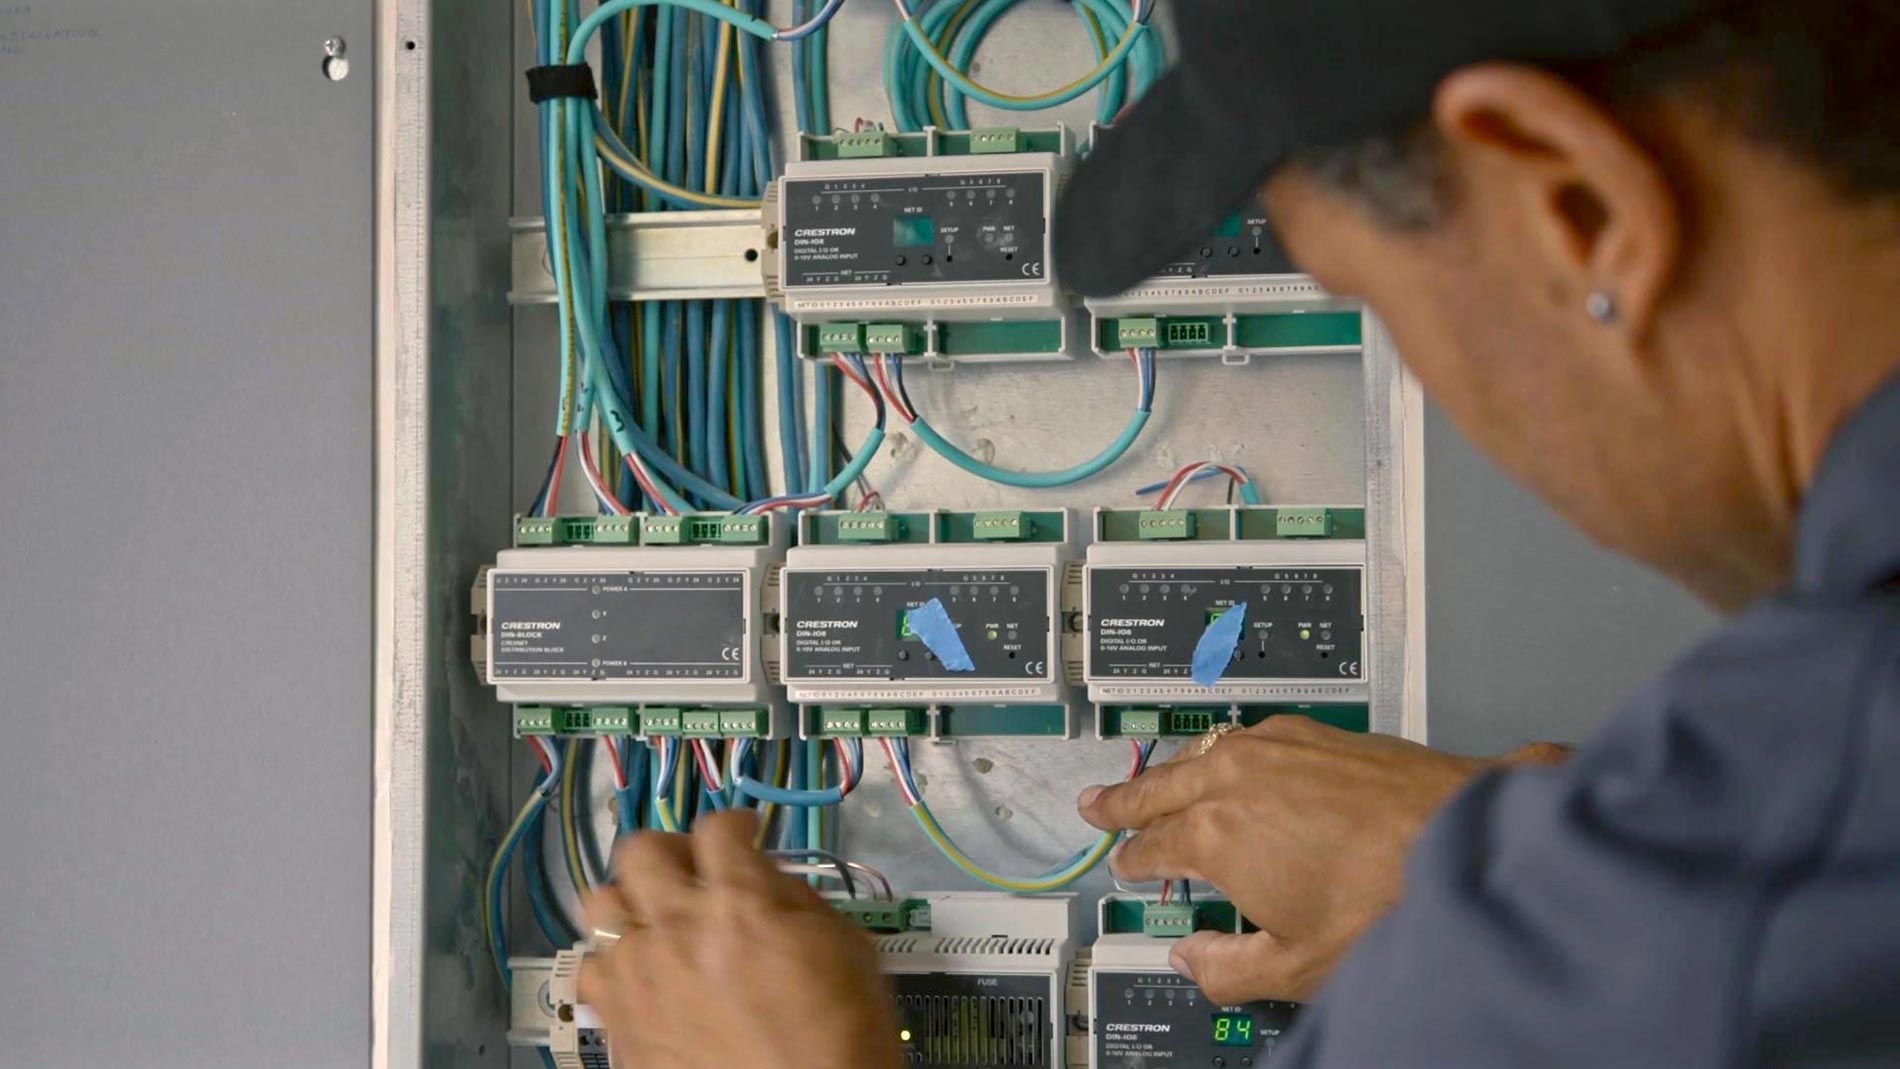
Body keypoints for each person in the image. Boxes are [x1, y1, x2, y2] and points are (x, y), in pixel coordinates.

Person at [579, 0, 1900, 1064]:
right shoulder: (1750, 868)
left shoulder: (1754, 853)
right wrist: (1538, 885)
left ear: (1581, 210)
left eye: (1375, 303)